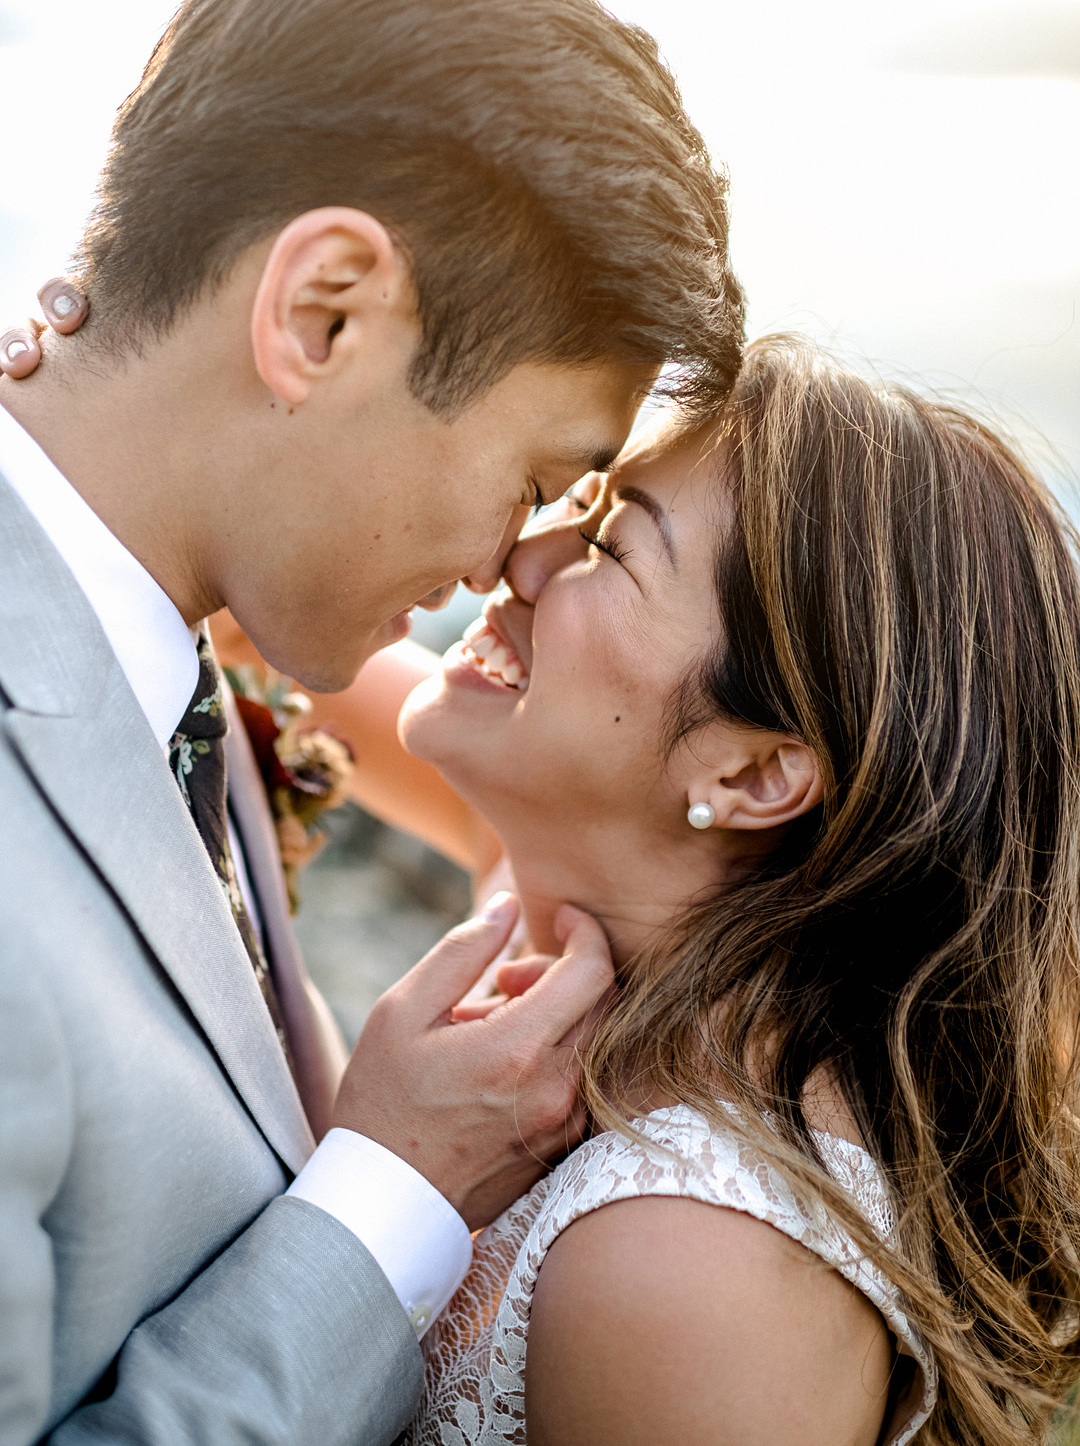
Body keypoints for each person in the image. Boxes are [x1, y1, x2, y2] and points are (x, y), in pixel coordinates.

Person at [0, 0, 743, 1446]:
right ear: (324, 312)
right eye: (536, 474)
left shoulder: (173, 667)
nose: (503, 564)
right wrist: (388, 1192)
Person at [283, 337, 1080, 1445]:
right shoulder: (582, 890)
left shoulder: (696, 1263)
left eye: (609, 542)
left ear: (752, 773)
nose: (515, 557)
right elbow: (301, 648)